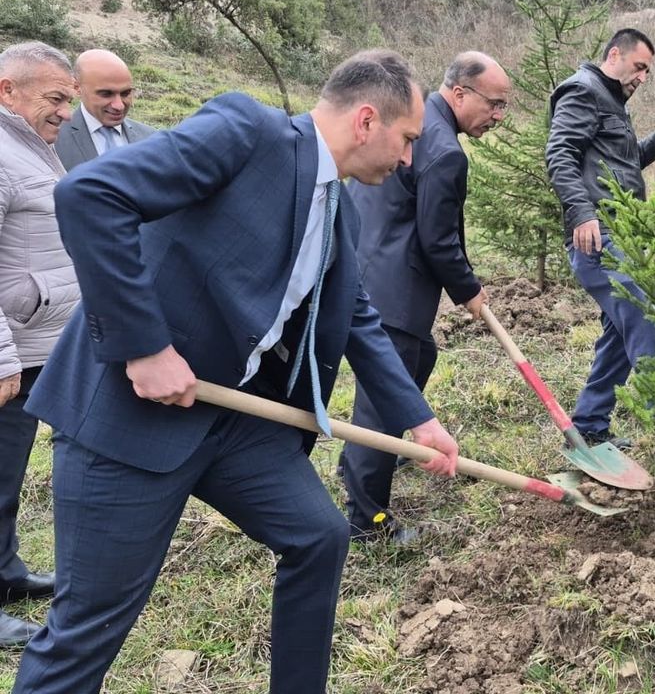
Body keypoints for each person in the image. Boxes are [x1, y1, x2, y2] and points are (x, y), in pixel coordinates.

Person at [13, 49, 460, 693]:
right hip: (128, 419)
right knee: (90, 624)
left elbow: (357, 315)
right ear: (367, 121)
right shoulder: (247, 131)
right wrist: (144, 346)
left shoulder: (340, 206)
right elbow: (90, 194)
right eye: (408, 138)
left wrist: (419, 421)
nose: (410, 158)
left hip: (231, 416)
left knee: (318, 537)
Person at [339, 51, 508, 543]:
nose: (498, 116)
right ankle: (367, 520)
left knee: (421, 359)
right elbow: (439, 240)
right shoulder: (444, 150)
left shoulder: (413, 124)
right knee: (383, 402)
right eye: (494, 104)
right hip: (392, 289)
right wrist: (468, 289)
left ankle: (366, 457)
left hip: (362, 265)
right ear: (459, 93)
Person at [545, 28, 655, 449]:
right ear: (615, 54)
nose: (642, 77)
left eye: (647, 71)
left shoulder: (611, 100)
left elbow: (622, 163)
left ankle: (588, 424)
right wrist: (581, 212)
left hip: (618, 232)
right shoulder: (583, 91)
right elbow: (560, 153)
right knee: (641, 317)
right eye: (639, 67)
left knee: (621, 333)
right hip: (597, 235)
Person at [0, 41, 77, 648]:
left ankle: (6, 572)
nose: (67, 112)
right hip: (10, 351)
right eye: (55, 98)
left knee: (7, 477)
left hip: (34, 345)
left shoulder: (31, 148)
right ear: (8, 90)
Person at [54, 48, 156, 170]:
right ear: (77, 88)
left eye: (125, 93)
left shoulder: (151, 138)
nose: (119, 106)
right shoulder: (53, 140)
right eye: (106, 94)